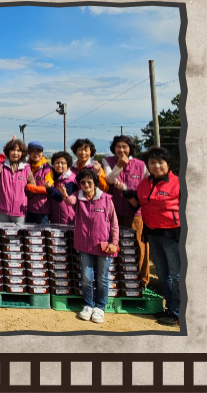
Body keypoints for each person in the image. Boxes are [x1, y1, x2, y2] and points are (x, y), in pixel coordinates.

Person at [121, 146, 181, 327]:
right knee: (163, 274)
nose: (156, 166)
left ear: (168, 164)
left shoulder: (178, 183)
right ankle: (170, 308)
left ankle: (179, 312)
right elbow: (137, 205)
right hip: (153, 234)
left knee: (176, 274)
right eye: (152, 162)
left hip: (173, 234)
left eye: (160, 162)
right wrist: (125, 191)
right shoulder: (145, 183)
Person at [62, 169, 119, 324]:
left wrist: (114, 243)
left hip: (104, 246)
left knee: (102, 278)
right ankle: (88, 305)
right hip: (84, 246)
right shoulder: (77, 197)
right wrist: (65, 195)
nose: (86, 185)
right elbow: (70, 202)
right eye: (83, 182)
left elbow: (114, 223)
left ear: (95, 183)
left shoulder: (106, 199)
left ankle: (100, 307)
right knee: (87, 277)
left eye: (89, 182)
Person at [102, 135, 150, 288]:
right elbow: (109, 179)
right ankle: (118, 281)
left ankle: (142, 281)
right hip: (113, 213)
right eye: (118, 146)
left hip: (136, 214)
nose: (121, 150)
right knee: (116, 246)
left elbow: (148, 184)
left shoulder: (141, 165)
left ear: (130, 148)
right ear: (113, 148)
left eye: (125, 147)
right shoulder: (107, 161)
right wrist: (120, 165)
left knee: (139, 246)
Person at [0, 139, 36, 224]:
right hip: (1, 210)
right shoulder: (1, 165)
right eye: (13, 150)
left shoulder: (26, 168)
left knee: (17, 236)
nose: (15, 153)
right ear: (8, 151)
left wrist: (27, 192)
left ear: (22, 153)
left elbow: (32, 186)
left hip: (19, 211)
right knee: (2, 236)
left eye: (18, 150)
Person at [44, 151, 77, 225]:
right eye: (57, 163)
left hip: (67, 217)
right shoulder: (55, 177)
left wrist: (50, 188)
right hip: (55, 216)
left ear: (68, 165)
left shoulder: (70, 180)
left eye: (63, 163)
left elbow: (60, 197)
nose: (59, 165)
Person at [25, 141, 51, 224]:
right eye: (33, 151)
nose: (36, 154)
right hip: (26, 209)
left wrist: (30, 188)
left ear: (42, 152)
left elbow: (49, 189)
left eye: (38, 151)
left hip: (42, 211)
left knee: (42, 235)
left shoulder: (47, 169)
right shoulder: (25, 166)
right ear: (28, 153)